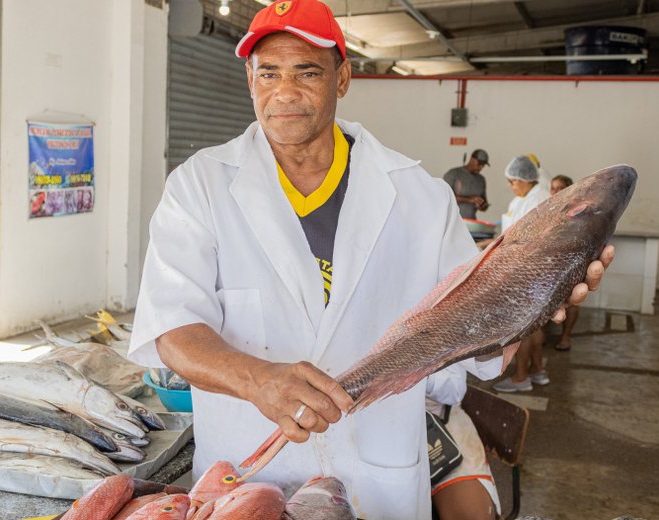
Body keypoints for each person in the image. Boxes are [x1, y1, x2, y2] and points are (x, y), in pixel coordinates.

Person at [127, 1, 612, 518]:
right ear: (249, 78)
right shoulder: (200, 186)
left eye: (306, 71)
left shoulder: (418, 197)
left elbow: (477, 343)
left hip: (376, 478)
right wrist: (257, 378)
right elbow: (173, 329)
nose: (283, 92)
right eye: (268, 73)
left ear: (343, 78)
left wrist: (537, 297)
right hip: (248, 477)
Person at [493, 156, 552, 393]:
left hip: (529, 273)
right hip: (529, 271)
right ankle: (537, 371)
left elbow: (526, 240)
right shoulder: (527, 197)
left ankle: (520, 377)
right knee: (535, 327)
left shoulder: (537, 201)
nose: (511, 186)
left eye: (513, 181)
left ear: (524, 179)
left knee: (524, 329)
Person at [427, 366, 500, 520]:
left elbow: (455, 389)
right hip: (375, 428)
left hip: (439, 422)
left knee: (471, 514)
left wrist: (415, 375)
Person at [550, 175, 578, 351]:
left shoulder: (577, 210)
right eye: (553, 188)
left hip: (572, 261)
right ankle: (542, 335)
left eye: (560, 188)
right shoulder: (550, 209)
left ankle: (566, 336)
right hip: (554, 263)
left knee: (573, 301)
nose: (555, 192)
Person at [443, 149, 490, 220]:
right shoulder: (454, 174)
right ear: (472, 159)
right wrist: (470, 199)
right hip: (453, 221)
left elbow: (484, 204)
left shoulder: (481, 180)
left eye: (483, 165)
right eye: (479, 163)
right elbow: (444, 198)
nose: (481, 167)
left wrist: (482, 206)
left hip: (470, 222)